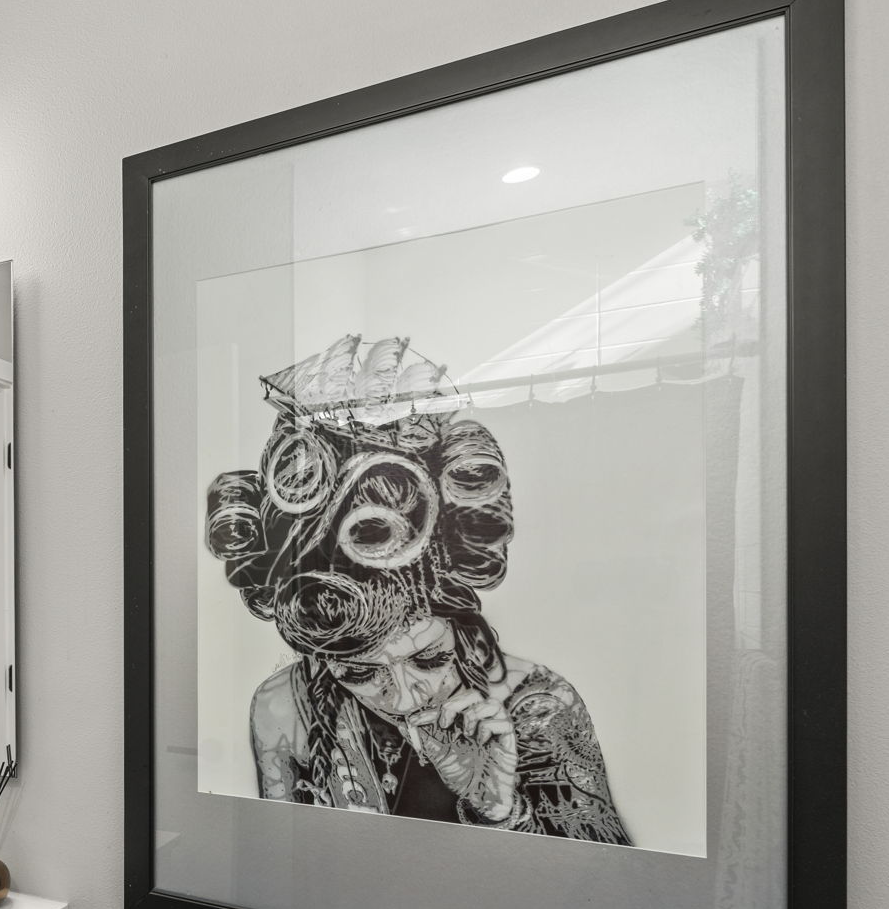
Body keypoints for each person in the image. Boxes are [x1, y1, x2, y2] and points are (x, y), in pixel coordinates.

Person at [205, 333, 629, 845]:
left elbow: (607, 896)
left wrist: (502, 813)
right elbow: (282, 864)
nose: (404, 698)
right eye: (359, 673)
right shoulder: (284, 705)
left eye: (429, 659)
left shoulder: (539, 707)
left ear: (462, 628)